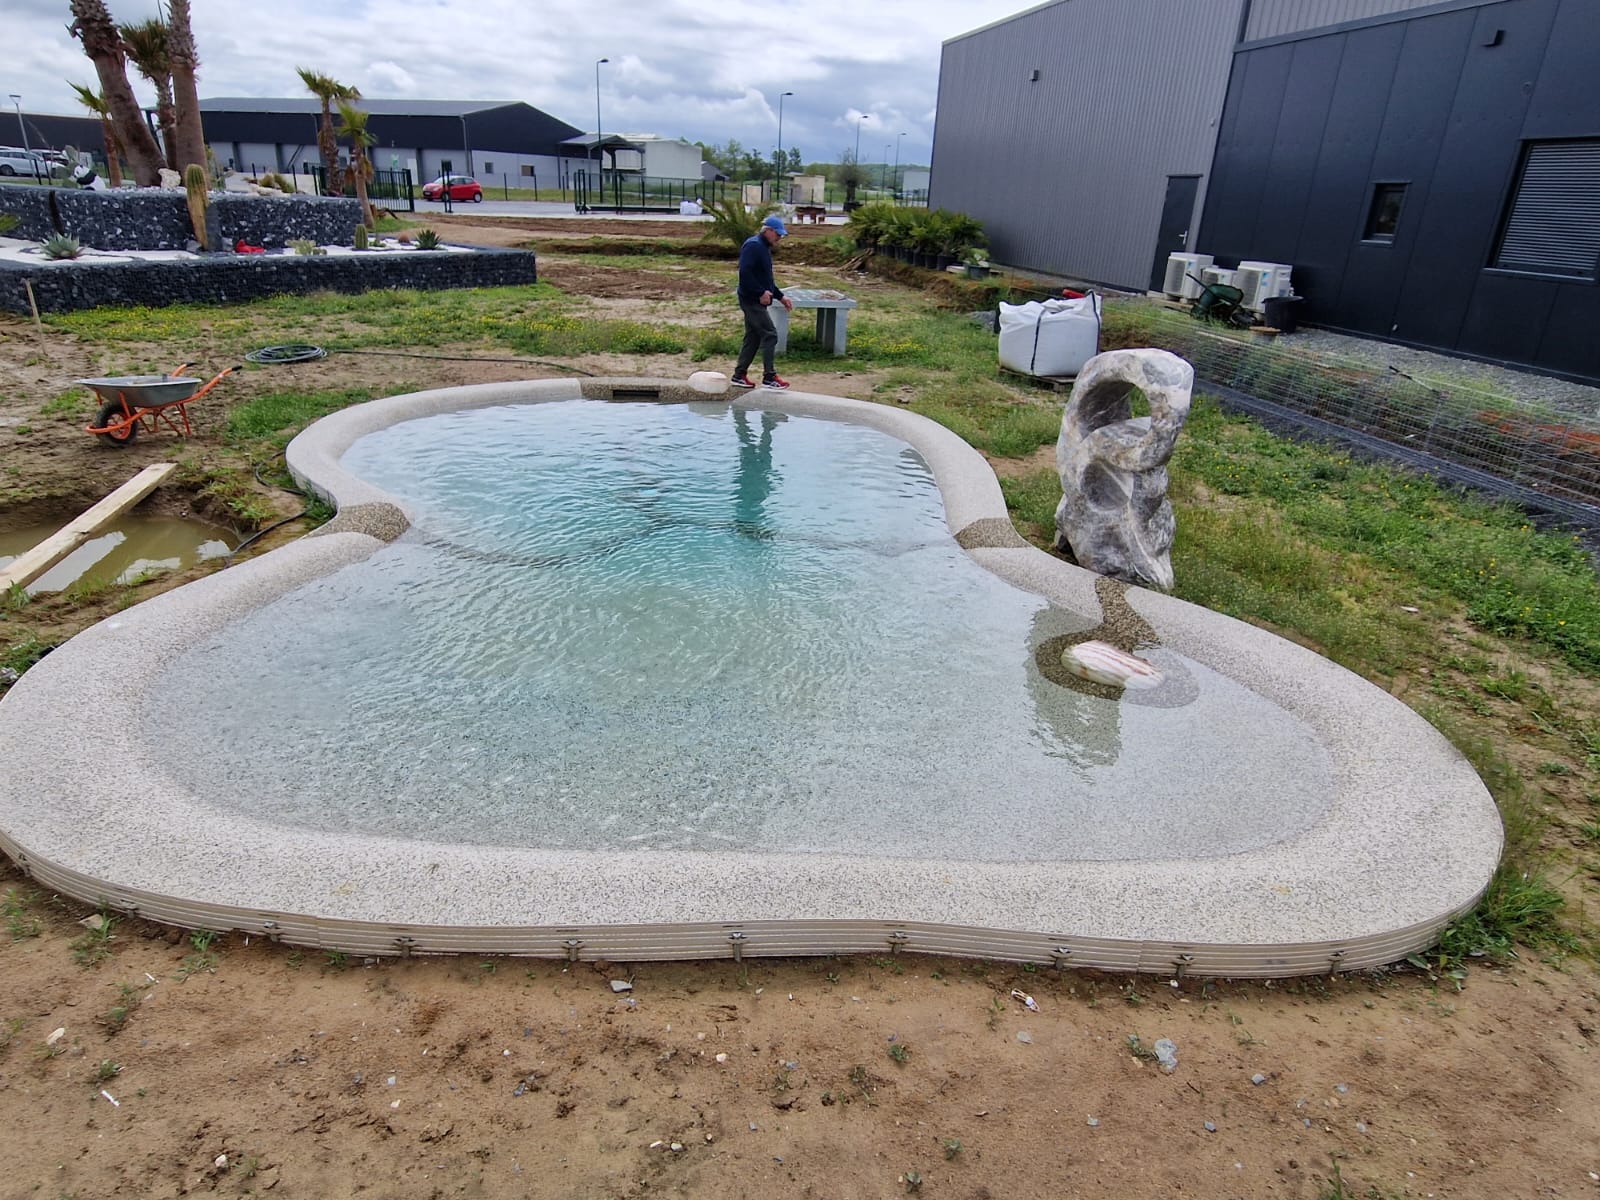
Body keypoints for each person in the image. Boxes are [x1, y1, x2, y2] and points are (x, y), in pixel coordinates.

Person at [731, 214, 794, 390]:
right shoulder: (754, 246)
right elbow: (745, 274)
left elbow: (766, 280)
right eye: (778, 234)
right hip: (751, 299)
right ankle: (769, 377)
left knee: (753, 337)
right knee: (770, 334)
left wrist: (780, 296)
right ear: (768, 231)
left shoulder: (763, 247)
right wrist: (760, 292)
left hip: (756, 299)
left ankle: (739, 375)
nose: (780, 238)